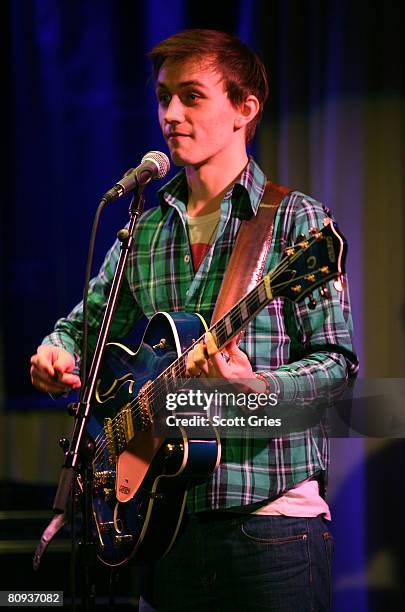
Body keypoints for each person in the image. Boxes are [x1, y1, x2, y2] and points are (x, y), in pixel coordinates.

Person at [30, 29, 358, 611]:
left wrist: (255, 387)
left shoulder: (295, 221)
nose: (170, 114)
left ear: (244, 109)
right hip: (161, 527)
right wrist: (57, 351)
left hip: (268, 527)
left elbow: (337, 366)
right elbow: (82, 327)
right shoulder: (145, 228)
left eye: (192, 96)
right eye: (163, 97)